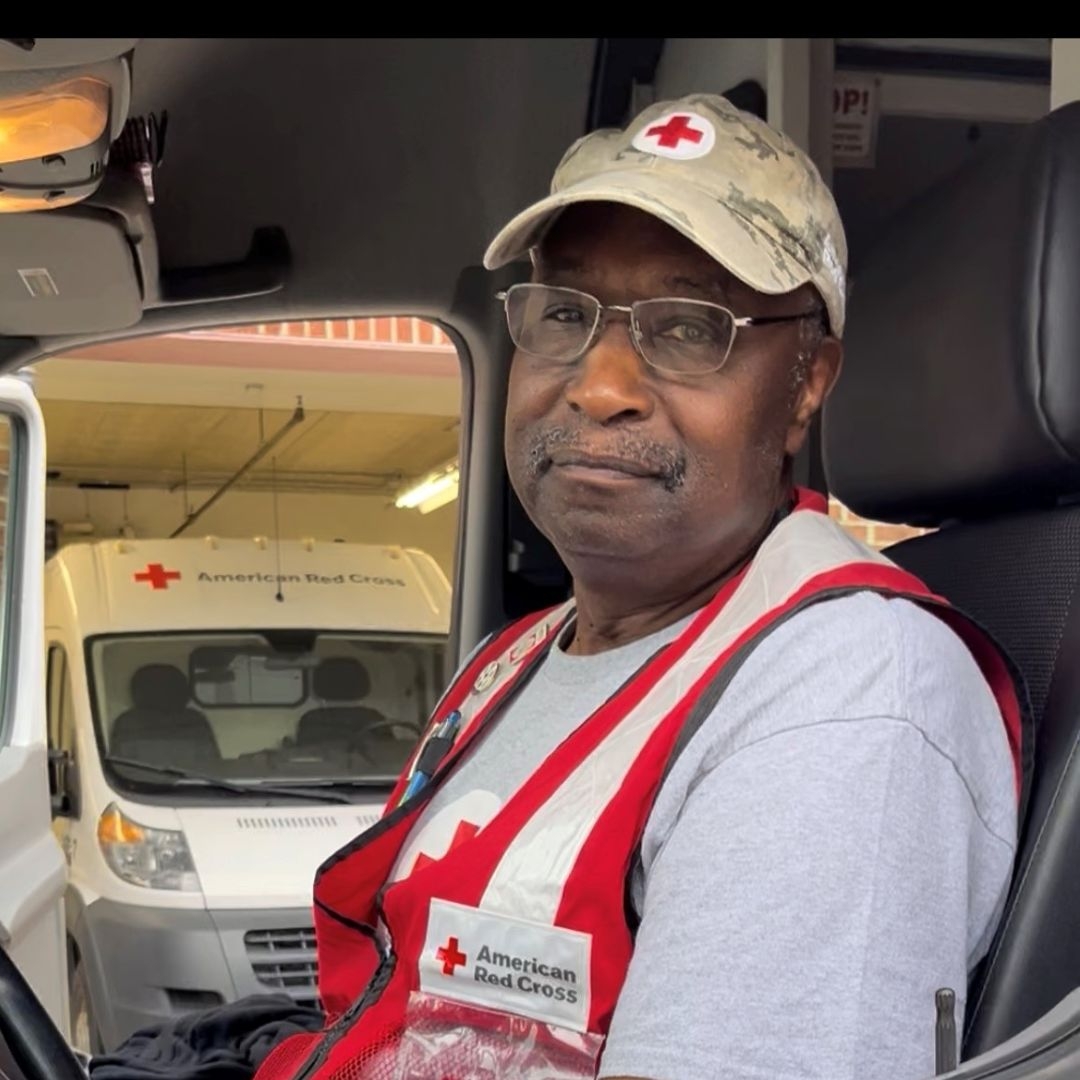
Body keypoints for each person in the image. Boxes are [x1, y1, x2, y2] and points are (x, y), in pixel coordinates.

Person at [255, 93, 1024, 1080]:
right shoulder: (521, 657)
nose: (600, 384)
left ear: (807, 383)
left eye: (689, 329)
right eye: (566, 314)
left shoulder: (849, 690)